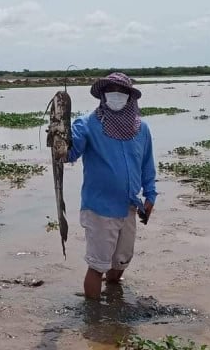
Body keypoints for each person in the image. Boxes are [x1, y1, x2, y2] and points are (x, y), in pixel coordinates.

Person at [67, 72, 157, 300]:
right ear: (103, 95)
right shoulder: (86, 124)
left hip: (128, 206)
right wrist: (60, 139)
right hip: (99, 208)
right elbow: (69, 153)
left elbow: (147, 164)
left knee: (122, 261)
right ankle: (94, 317)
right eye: (111, 91)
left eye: (122, 91)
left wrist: (150, 196)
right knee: (98, 266)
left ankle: (114, 298)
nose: (116, 95)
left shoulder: (142, 129)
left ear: (130, 96)